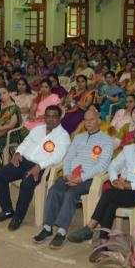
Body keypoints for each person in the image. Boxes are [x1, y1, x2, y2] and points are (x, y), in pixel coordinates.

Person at [67, 123, 135, 261]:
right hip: (122, 187)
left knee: (108, 194)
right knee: (110, 204)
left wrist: (131, 185)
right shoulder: (128, 149)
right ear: (133, 135)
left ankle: (90, 227)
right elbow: (113, 165)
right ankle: (103, 246)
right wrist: (115, 180)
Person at [33, 107, 116, 249]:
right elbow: (69, 157)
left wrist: (81, 178)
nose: (88, 123)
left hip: (89, 179)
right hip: (71, 175)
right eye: (86, 120)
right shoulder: (79, 137)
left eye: (91, 120)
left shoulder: (107, 140)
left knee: (70, 194)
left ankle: (61, 231)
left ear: (99, 121)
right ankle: (47, 228)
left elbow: (102, 165)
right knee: (54, 190)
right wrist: (67, 174)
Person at [0, 106, 70, 231]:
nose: (50, 119)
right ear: (44, 117)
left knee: (27, 183)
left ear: (59, 118)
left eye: (54, 116)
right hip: (23, 161)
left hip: (41, 167)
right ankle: (7, 210)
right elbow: (26, 142)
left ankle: (18, 217)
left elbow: (58, 156)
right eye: (47, 116)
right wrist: (18, 153)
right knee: (0, 176)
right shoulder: (37, 129)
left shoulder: (63, 136)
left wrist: (40, 166)